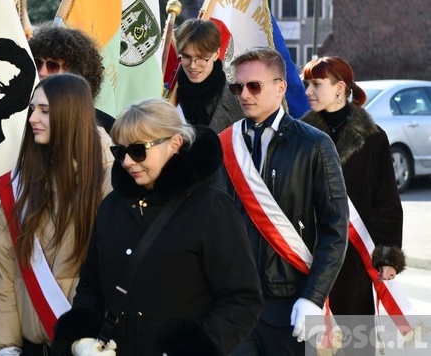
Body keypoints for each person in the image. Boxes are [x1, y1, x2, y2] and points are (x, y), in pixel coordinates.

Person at [52, 98, 263, 355]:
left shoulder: (211, 209)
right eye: (120, 151)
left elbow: (242, 300)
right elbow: (91, 286)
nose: (127, 161)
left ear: (174, 144)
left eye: (138, 150)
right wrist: (81, 339)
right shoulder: (112, 206)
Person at [218, 47, 348, 355]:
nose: (244, 95)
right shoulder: (224, 144)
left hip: (289, 304)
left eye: (254, 86)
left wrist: (313, 297)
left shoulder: (314, 145)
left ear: (281, 87)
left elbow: (335, 229)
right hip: (234, 305)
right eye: (238, 87)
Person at [0, 73, 112, 355]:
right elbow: (2, 269)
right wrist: (5, 346)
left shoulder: (109, 180)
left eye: (44, 110)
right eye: (32, 109)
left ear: (70, 114)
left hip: (86, 346)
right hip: (30, 347)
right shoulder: (24, 183)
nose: (32, 118)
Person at [301, 56, 404, 316]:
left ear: (339, 88)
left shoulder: (373, 137)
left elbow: (387, 200)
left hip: (355, 255)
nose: (308, 91)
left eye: (315, 84)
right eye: (306, 84)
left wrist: (387, 255)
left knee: (354, 337)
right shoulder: (300, 134)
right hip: (310, 251)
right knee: (313, 338)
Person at [28, 24, 114, 132]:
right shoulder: (18, 117)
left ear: (76, 74)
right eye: (38, 63)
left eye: (52, 66)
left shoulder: (105, 127)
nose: (41, 72)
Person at [174, 18, 244, 132]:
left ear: (216, 54)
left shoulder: (239, 101)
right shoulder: (165, 96)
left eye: (201, 58)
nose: (193, 66)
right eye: (186, 57)